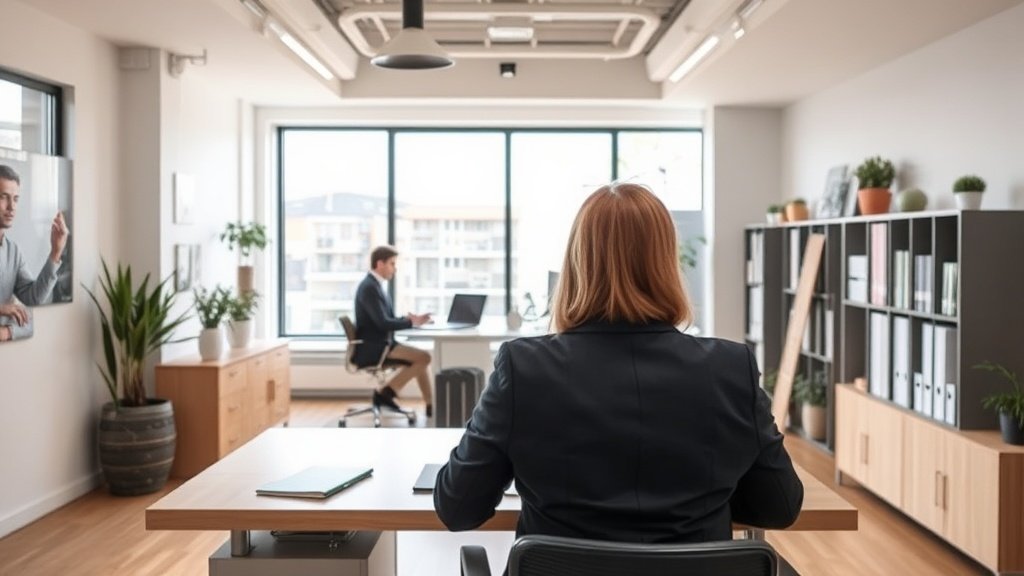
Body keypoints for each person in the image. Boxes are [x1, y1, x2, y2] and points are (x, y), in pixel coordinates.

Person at [434, 182, 803, 548]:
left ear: (578, 264)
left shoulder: (523, 367)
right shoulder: (729, 367)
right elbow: (780, 505)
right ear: (666, 264)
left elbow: (458, 506)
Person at [352, 245, 435, 417]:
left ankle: (430, 406)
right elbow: (383, 323)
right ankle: (385, 392)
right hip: (376, 347)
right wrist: (411, 323)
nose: (395, 269)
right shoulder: (369, 288)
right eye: (392, 264)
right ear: (380, 263)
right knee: (424, 357)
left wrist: (410, 320)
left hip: (383, 343)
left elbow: (385, 319)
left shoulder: (375, 286)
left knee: (421, 358)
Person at [0, 164, 69, 342]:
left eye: (15, 199)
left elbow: (34, 298)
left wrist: (55, 252)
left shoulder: (13, 251)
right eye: (3, 197)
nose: (11, 207)